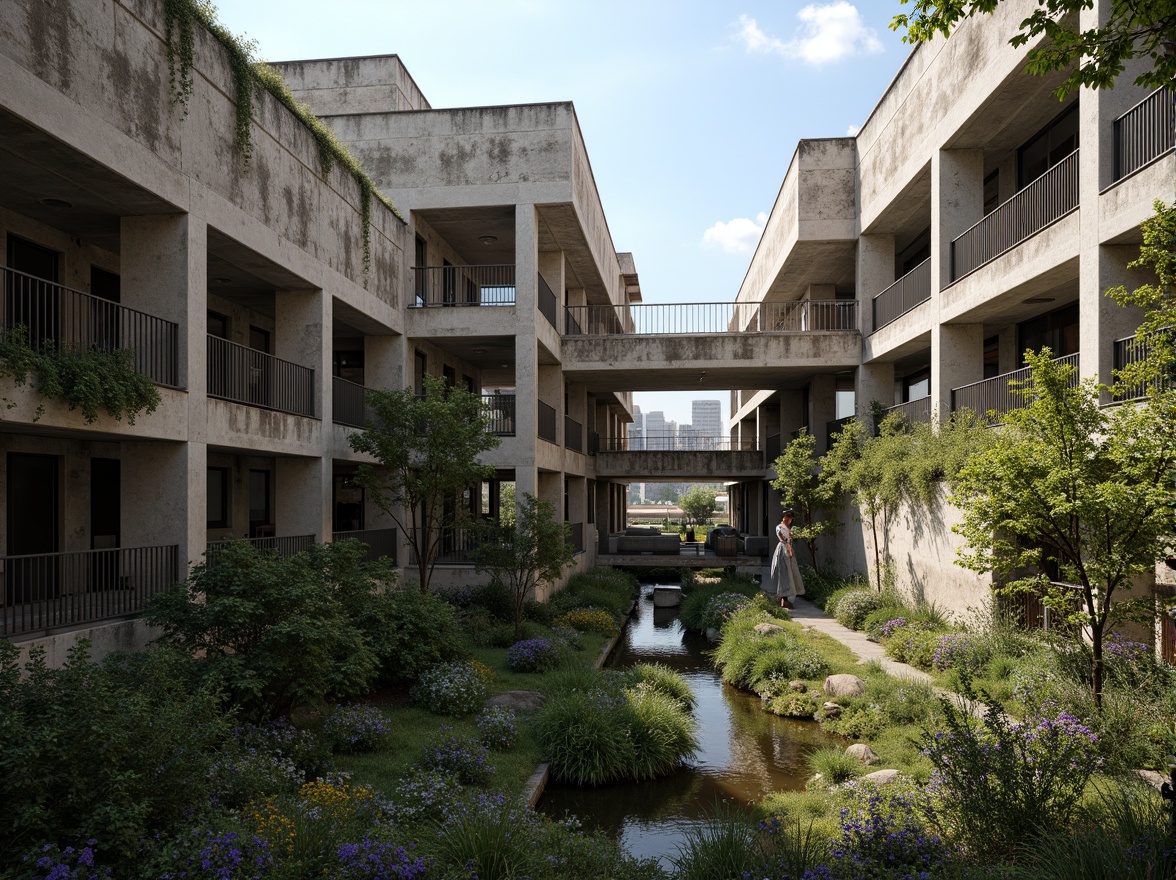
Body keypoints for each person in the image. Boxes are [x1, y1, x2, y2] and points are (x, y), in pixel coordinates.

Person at [769, 508, 805, 609]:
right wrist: (789, 549)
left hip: (788, 549)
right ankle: (783, 599)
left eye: (790, 518)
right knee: (785, 573)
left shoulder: (788, 528)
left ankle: (785, 599)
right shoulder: (779, 527)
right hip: (783, 550)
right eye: (787, 517)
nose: (789, 519)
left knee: (790, 573)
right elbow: (783, 539)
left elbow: (790, 539)